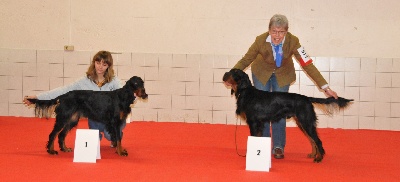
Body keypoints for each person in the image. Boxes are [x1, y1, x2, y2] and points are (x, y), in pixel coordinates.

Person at [228, 14, 338, 159]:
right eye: (274, 31)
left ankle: (278, 146)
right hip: (262, 74)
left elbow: (307, 64)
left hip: (282, 75)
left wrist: (325, 87)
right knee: (261, 111)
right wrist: (232, 76)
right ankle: (263, 147)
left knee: (279, 109)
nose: (277, 35)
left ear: (286, 31)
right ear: (269, 30)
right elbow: (246, 59)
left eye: (281, 32)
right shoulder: (260, 40)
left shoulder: (293, 41)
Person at [22, 50, 126, 147]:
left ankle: (115, 138)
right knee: (92, 138)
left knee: (110, 135)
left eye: (104, 64)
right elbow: (63, 90)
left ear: (108, 66)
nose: (100, 67)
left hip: (111, 116)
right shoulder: (84, 81)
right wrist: (37, 97)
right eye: (98, 63)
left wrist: (132, 97)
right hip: (95, 116)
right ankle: (61, 142)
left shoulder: (115, 82)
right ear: (94, 63)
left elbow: (124, 97)